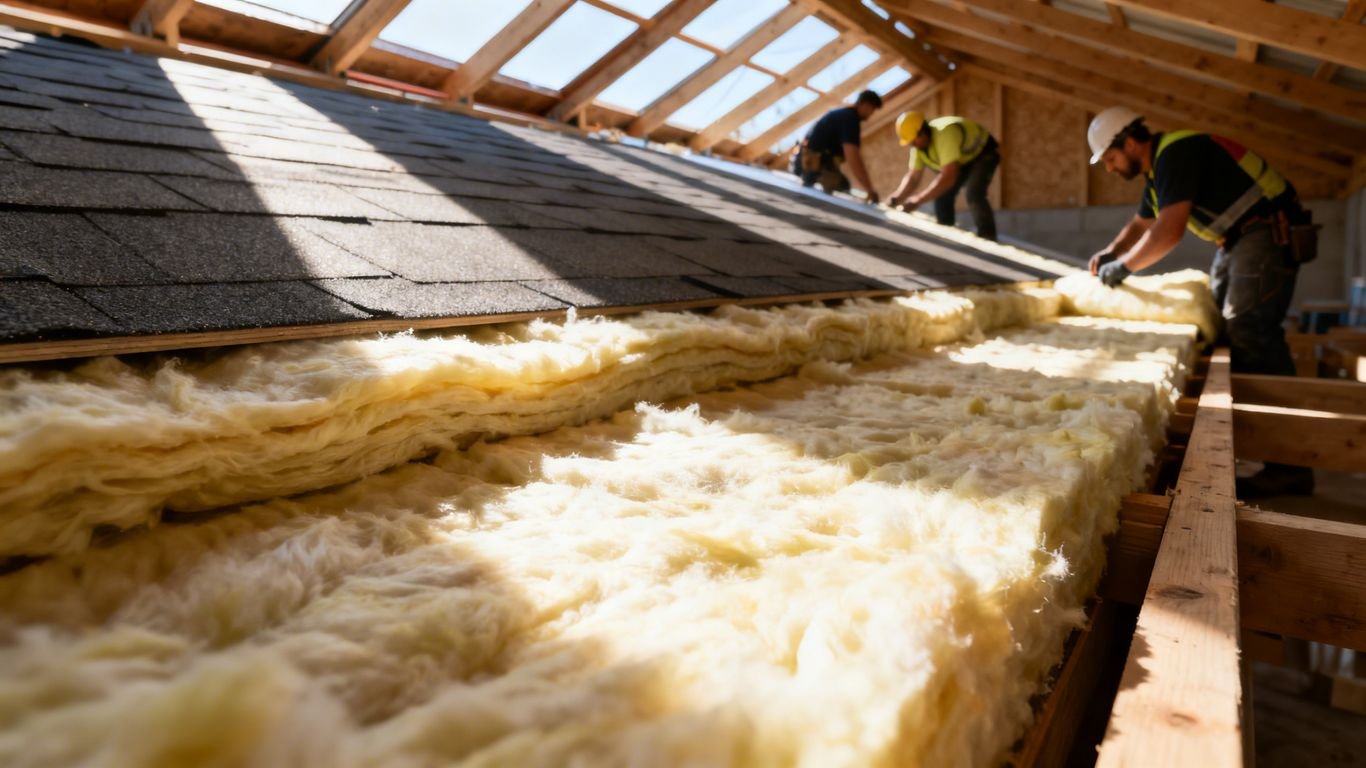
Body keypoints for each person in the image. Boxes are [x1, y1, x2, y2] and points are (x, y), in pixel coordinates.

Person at [1085, 105, 1317, 498]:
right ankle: (1254, 446)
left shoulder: (1176, 153)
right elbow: (1141, 222)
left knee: (1251, 331)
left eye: (1110, 158)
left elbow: (1168, 230)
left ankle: (1291, 466)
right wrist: (1110, 252)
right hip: (1238, 240)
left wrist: (1124, 267)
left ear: (1129, 143)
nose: (1109, 168)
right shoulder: (1159, 172)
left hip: (1265, 231)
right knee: (1223, 329)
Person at [888, 112, 1001, 241]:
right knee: (942, 195)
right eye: (911, 143)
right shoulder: (918, 148)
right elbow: (913, 177)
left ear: (923, 132)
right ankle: (946, 235)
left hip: (984, 154)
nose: (913, 145)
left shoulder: (945, 134)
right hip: (962, 161)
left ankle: (988, 237)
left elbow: (948, 177)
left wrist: (917, 200)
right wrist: (896, 198)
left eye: (914, 141)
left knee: (974, 193)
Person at [792, 90, 882, 202]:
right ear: (865, 104)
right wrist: (870, 190)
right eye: (872, 109)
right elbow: (853, 158)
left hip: (804, 162)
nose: (872, 114)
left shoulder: (844, 115)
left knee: (842, 186)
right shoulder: (849, 119)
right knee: (842, 190)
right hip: (809, 168)